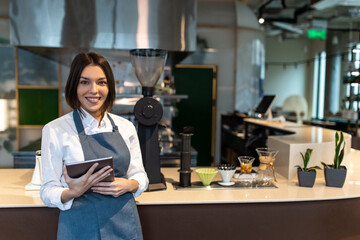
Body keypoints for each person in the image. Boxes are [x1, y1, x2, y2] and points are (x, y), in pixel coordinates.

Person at [40, 52, 148, 240]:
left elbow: (140, 175)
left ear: (109, 87)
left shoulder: (126, 127)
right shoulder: (56, 130)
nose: (94, 90)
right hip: (80, 229)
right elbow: (47, 191)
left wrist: (130, 184)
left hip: (124, 226)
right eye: (84, 82)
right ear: (74, 86)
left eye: (101, 82)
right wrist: (72, 192)